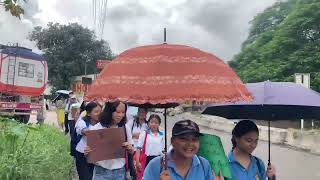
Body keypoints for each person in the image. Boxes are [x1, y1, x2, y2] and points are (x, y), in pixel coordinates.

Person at [143, 120, 214, 180]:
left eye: (194, 139)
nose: (189, 144)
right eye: (183, 139)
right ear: (172, 141)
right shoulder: (156, 165)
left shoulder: (204, 165)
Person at [84, 101, 135, 180]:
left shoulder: (125, 128)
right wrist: (87, 152)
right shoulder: (96, 129)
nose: (120, 115)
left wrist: (130, 148)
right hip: (101, 172)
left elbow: (131, 151)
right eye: (117, 112)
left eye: (123, 112)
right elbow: (89, 156)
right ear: (109, 111)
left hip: (120, 172)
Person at [73, 101, 102, 180]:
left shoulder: (103, 124)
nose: (99, 114)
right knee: (85, 177)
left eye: (100, 112)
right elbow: (84, 131)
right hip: (82, 155)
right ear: (89, 113)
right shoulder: (82, 122)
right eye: (96, 112)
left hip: (97, 155)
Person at [135, 114, 164, 180]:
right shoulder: (144, 133)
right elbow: (138, 148)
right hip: (147, 159)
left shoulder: (162, 135)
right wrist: (137, 161)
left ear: (159, 124)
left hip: (159, 159)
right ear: (148, 123)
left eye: (156, 122)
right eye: (152, 122)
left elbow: (163, 150)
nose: (153, 124)